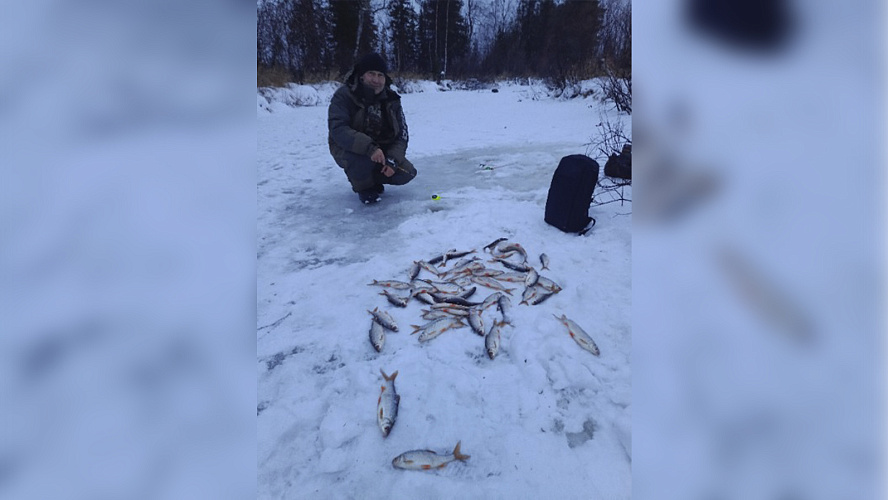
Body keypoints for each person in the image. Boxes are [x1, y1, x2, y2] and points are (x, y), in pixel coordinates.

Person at [328, 53, 417, 204]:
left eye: (380, 75)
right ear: (362, 75)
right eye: (371, 74)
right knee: (361, 159)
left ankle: (372, 177)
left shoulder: (392, 99)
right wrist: (370, 148)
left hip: (382, 150)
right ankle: (364, 187)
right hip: (349, 148)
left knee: (407, 173)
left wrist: (392, 160)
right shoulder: (344, 96)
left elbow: (402, 134)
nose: (376, 80)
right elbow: (338, 129)